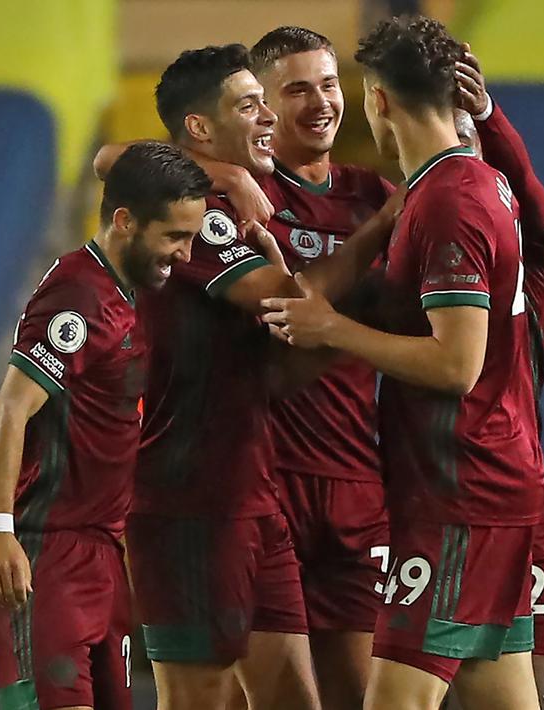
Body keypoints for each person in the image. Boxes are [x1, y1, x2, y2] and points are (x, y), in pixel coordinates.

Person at [262, 16, 544, 710]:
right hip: (484, 484)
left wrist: (335, 327)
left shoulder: (448, 201)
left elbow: (456, 366)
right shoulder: (470, 186)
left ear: (377, 101)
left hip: (459, 494)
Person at [127, 44, 402, 710]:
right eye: (252, 105)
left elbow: (274, 361)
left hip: (261, 494)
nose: (267, 121)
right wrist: (380, 233)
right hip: (193, 498)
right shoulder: (193, 215)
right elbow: (292, 302)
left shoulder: (347, 192)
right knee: (202, 699)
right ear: (199, 128)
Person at [0, 142, 210, 710]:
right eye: (173, 237)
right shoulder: (78, 296)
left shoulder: (125, 292)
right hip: (47, 553)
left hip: (104, 553)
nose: (183, 255)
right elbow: (11, 408)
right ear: (125, 221)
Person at [248, 25, 395, 710]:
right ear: (261, 107)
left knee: (362, 696)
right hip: (263, 484)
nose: (320, 102)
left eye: (330, 84)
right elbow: (114, 162)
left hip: (358, 489)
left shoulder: (375, 193)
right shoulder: (238, 199)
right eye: (297, 89)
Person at [452, 46, 544, 710]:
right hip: (447, 503)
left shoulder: (531, 249)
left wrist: (487, 114)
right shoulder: (416, 232)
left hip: (527, 504)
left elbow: (530, 195)